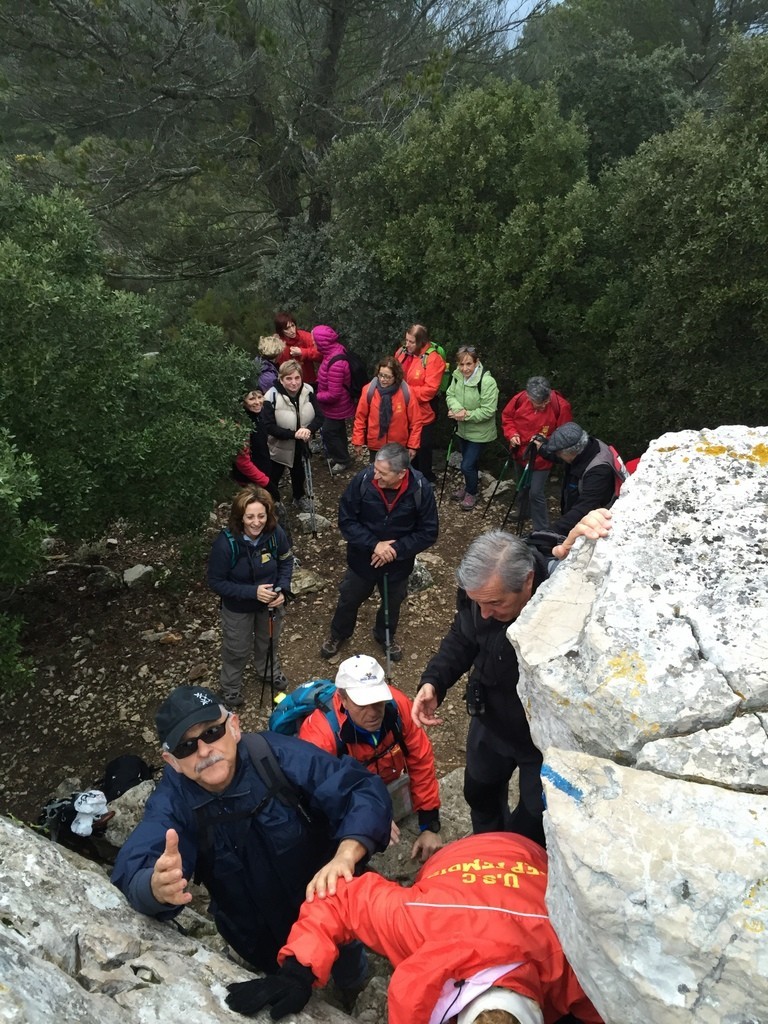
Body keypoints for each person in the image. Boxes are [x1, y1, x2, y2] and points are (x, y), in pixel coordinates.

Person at [111, 685, 391, 993]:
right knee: (285, 990)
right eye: (186, 747)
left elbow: (359, 790)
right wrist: (152, 887)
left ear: (234, 726)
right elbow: (137, 860)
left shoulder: (276, 757)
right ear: (172, 761)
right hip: (257, 939)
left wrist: (346, 855)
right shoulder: (174, 803)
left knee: (350, 970)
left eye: (212, 732)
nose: (204, 751)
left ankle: (354, 992)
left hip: (330, 912)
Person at [223, 832, 604, 1024]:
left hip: (495, 860)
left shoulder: (578, 961)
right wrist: (297, 970)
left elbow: (341, 896)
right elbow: (339, 897)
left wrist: (300, 968)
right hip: (509, 860)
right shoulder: (576, 960)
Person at [411, 512, 613, 845]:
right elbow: (463, 637)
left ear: (529, 581)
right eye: (480, 604)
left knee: (533, 824)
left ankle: (516, 862)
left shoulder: (563, 594)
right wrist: (434, 682)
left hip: (544, 740)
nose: (486, 613)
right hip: (490, 718)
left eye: (495, 604)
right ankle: (487, 851)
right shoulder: (481, 594)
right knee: (479, 795)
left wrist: (593, 539)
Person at [299, 654, 442, 863]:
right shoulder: (320, 737)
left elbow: (420, 759)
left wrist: (429, 824)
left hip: (385, 779)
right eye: (363, 705)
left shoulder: (397, 706)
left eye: (377, 701)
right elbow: (317, 798)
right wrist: (366, 816)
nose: (374, 712)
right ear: (343, 699)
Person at [320, 442, 439, 664]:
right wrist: (375, 545)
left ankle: (385, 636)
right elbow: (346, 519)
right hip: (362, 558)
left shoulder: (421, 488)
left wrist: (395, 549)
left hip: (398, 564)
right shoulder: (363, 481)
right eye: (375, 468)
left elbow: (429, 532)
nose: (375, 475)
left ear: (402, 473)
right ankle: (338, 634)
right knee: (349, 598)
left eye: (382, 473)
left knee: (393, 602)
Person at [207, 486, 293, 708]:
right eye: (250, 517)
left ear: (268, 514)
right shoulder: (226, 544)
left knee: (269, 641)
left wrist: (282, 589)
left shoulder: (275, 534)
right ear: (240, 517)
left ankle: (268, 672)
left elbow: (285, 561)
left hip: (270, 603)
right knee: (237, 648)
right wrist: (251, 592)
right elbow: (216, 582)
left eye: (261, 516)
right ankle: (231, 687)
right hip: (238, 606)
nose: (256, 522)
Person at [500, 377, 573, 532]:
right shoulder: (519, 399)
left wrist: (545, 442)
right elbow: (507, 417)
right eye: (539, 403)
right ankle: (523, 511)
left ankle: (541, 528)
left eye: (545, 402)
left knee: (535, 492)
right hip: (519, 451)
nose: (543, 406)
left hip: (542, 457)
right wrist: (512, 434)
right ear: (529, 397)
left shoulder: (560, 406)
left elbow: (565, 435)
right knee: (521, 484)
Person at [538, 422, 622, 537]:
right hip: (576, 511)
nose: (557, 455)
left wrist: (549, 533)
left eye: (559, 453)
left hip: (593, 525)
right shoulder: (588, 445)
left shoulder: (599, 471)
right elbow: (562, 458)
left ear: (571, 452)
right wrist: (542, 448)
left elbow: (584, 509)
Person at [261, 359, 323, 514]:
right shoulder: (271, 396)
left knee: (298, 472)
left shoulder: (308, 391)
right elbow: (268, 426)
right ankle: (272, 502)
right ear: (281, 379)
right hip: (278, 445)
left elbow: (320, 417)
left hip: (301, 442)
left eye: (297, 378)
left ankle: (299, 496)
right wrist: (293, 434)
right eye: (288, 378)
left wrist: (309, 430)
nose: (294, 383)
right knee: (274, 475)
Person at [446, 345, 499, 511]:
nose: (464, 368)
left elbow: (488, 411)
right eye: (461, 364)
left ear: (477, 363)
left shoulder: (487, 382)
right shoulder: (457, 376)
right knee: (471, 464)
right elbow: (450, 395)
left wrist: (464, 415)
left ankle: (471, 492)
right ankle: (469, 487)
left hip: (480, 433)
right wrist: (456, 410)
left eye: (469, 364)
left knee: (467, 465)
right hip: (462, 430)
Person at [394, 324, 446, 482]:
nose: (407, 344)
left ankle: (426, 478)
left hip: (424, 412)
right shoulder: (402, 352)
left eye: (411, 342)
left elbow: (430, 390)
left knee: (423, 446)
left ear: (422, 342)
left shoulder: (433, 359)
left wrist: (405, 393)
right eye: (406, 340)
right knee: (408, 443)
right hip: (403, 410)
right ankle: (412, 475)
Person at [351, 355, 421, 461]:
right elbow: (360, 418)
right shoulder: (369, 390)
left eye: (388, 377)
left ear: (396, 377)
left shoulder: (407, 392)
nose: (383, 380)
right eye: (381, 375)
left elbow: (415, 422)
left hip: (398, 447)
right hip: (376, 446)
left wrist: (412, 446)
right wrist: (358, 441)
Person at [313, 324, 356, 473]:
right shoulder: (333, 351)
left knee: (329, 432)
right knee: (338, 431)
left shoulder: (336, 362)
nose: (313, 343)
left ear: (322, 342)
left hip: (337, 407)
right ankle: (338, 455)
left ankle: (342, 460)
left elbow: (334, 394)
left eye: (314, 341)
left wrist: (316, 396)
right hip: (334, 407)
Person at [231, 389, 273, 496]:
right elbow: (242, 462)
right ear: (243, 402)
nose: (257, 402)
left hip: (262, 473)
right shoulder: (241, 425)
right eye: (252, 399)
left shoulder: (259, 417)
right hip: (249, 480)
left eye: (260, 397)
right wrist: (265, 482)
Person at [274, 311, 320, 385]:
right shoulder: (279, 345)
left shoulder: (304, 336)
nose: (292, 330)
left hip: (310, 381)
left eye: (293, 325)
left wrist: (303, 352)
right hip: (291, 384)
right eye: (287, 328)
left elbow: (320, 354)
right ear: (281, 330)